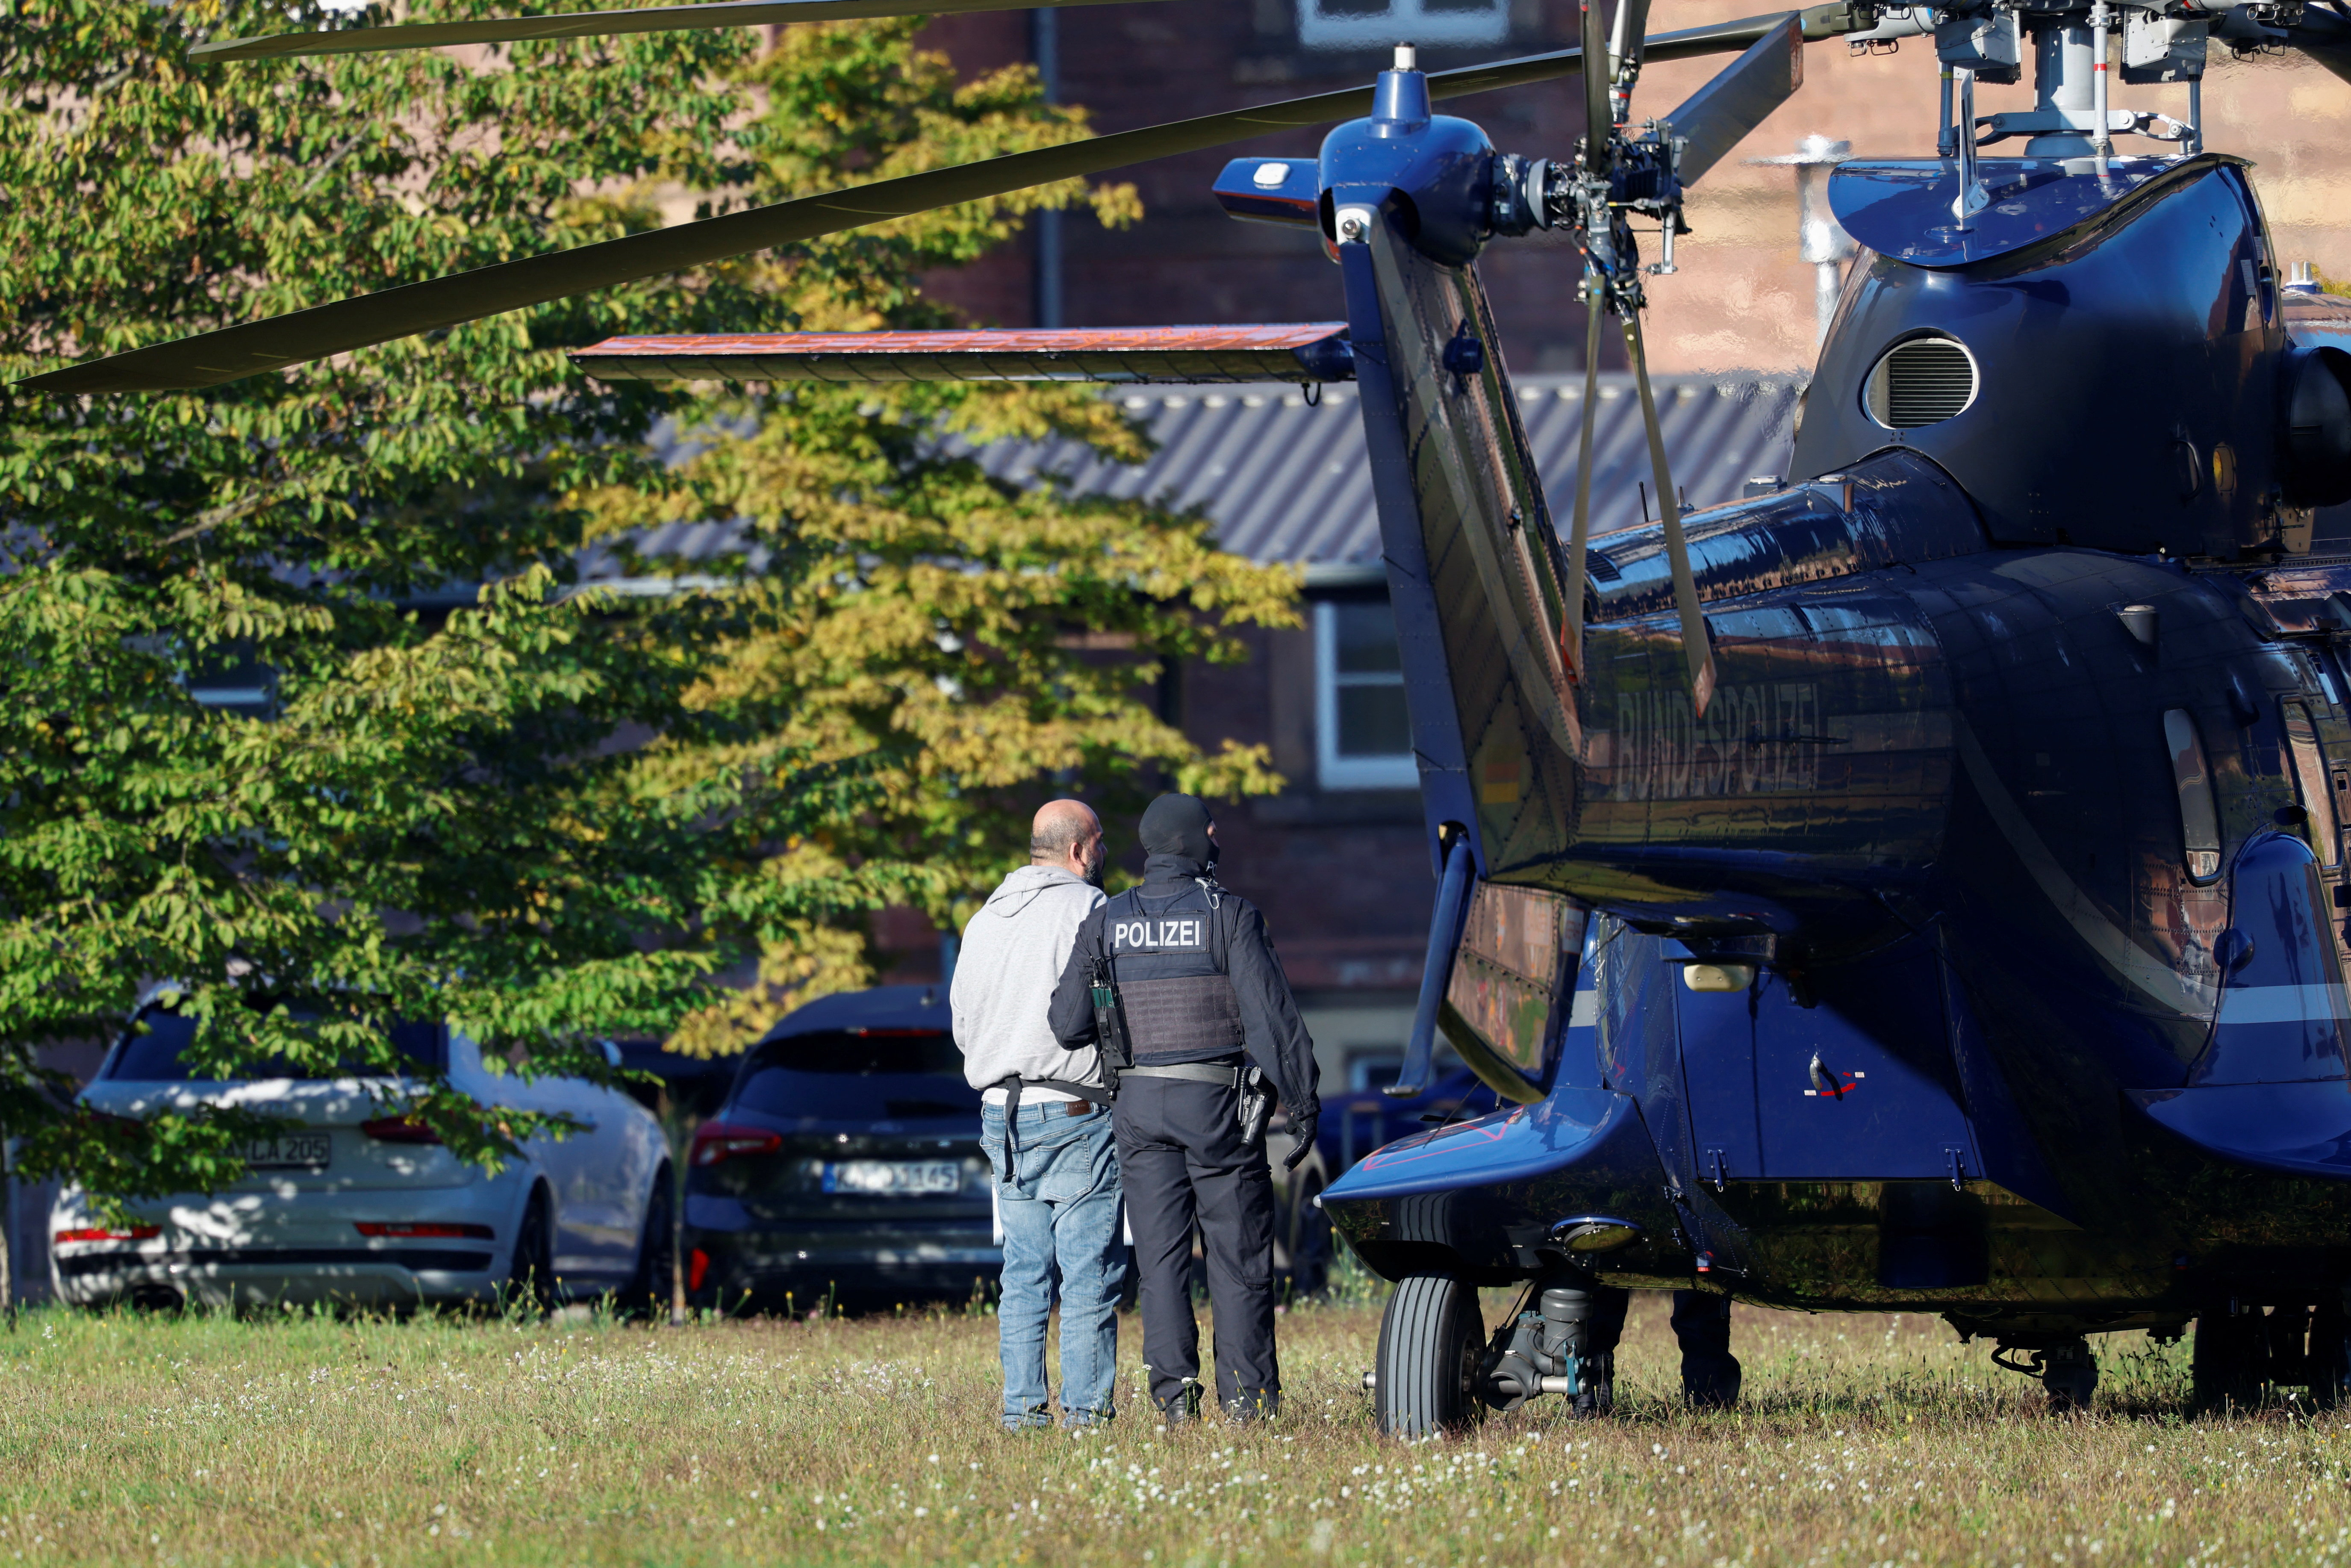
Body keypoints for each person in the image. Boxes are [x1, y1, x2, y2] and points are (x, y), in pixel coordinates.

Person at [1049, 793, 1320, 1424]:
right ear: (1192, 840)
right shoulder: (1229, 916)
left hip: (1138, 1110)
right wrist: (1302, 1102)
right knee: (1238, 1256)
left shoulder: (1107, 921)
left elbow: (1066, 1025)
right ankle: (1249, 1404)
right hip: (1217, 1109)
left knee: (1162, 1262)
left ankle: (1174, 1404)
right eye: (1210, 828)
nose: (1217, 835)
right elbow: (1271, 1021)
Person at [952, 798, 1122, 1431]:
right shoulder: (1090, 910)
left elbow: (964, 1030)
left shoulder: (981, 921)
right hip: (1076, 1109)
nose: (1101, 858)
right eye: (1099, 846)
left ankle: (1022, 1415)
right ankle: (1085, 1420)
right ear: (1081, 850)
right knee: (1088, 1274)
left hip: (1001, 1113)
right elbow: (1111, 1017)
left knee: (1022, 1274)